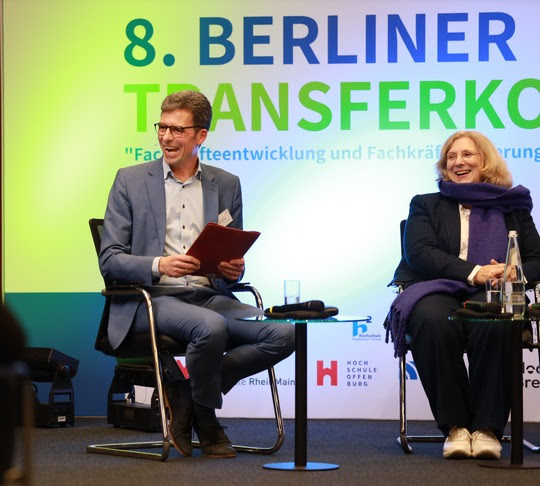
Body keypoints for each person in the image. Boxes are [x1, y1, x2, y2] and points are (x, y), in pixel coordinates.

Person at [99, 90, 295, 458]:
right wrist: (160, 264)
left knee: (283, 334)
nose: (166, 137)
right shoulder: (130, 180)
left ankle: (190, 395)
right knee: (211, 328)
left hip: (209, 295)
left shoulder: (226, 183)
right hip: (152, 299)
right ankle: (207, 420)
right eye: (162, 127)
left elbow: (230, 260)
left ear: (200, 136)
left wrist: (232, 269)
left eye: (177, 130)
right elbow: (109, 259)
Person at [387, 130, 540, 460]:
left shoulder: (513, 207)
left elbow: (536, 258)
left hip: (495, 292)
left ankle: (487, 430)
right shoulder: (425, 204)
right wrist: (475, 272)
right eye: (451, 157)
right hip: (435, 287)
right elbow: (420, 253)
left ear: (485, 161)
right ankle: (456, 428)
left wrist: (514, 272)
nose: (458, 162)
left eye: (467, 155)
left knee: (497, 318)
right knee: (432, 319)